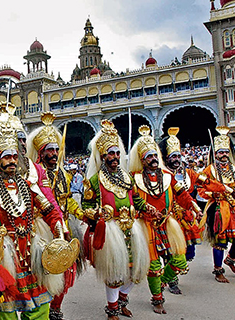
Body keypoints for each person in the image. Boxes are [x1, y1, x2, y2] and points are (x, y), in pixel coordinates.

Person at [0, 106, 69, 320]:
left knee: (40, 308)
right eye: (7, 156)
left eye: (15, 156)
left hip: (31, 254)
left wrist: (58, 228)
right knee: (6, 313)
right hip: (4, 257)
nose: (12, 161)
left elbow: (50, 210)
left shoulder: (28, 185)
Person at [81, 120, 151, 320]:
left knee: (134, 273)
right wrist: (97, 214)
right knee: (114, 274)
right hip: (111, 232)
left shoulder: (127, 177)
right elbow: (86, 207)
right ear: (102, 156)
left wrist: (147, 208)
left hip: (131, 230)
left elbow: (136, 200)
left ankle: (122, 301)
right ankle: (112, 310)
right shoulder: (94, 181)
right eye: (111, 154)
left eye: (117, 153)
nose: (115, 157)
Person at [128, 125, 201, 314]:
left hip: (167, 223)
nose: (153, 159)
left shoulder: (167, 176)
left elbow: (182, 194)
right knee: (153, 266)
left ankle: (161, 282)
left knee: (179, 260)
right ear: (142, 160)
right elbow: (131, 201)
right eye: (148, 156)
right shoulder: (134, 178)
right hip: (146, 225)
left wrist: (194, 207)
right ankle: (157, 299)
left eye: (155, 155)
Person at [26, 112, 84, 320]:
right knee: (46, 275)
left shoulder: (63, 174)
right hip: (43, 230)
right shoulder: (34, 174)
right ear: (40, 153)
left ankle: (55, 310)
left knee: (65, 274)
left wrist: (82, 213)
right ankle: (45, 309)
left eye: (56, 149)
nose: (53, 153)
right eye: (49, 150)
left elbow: (67, 201)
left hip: (64, 227)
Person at [158, 128, 225, 294]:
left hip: (187, 219)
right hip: (168, 219)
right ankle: (171, 281)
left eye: (178, 156)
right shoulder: (161, 174)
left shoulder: (189, 173)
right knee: (172, 252)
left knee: (189, 253)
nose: (176, 159)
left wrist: (222, 187)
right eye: (173, 156)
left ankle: (166, 275)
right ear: (166, 158)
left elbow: (206, 182)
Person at [197, 127, 235, 283]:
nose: (223, 155)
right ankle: (218, 271)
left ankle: (230, 259)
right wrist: (213, 194)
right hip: (218, 209)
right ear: (215, 154)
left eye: (225, 152)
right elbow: (200, 188)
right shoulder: (209, 170)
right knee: (220, 242)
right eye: (220, 152)